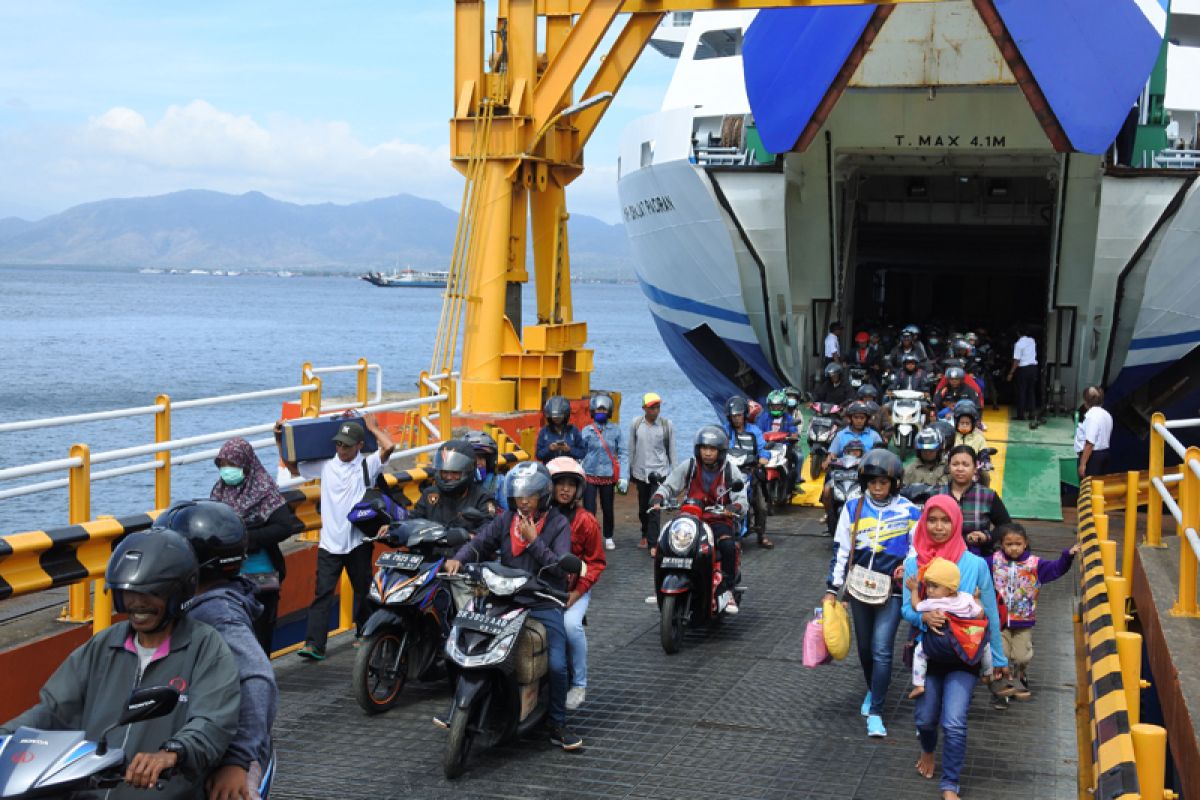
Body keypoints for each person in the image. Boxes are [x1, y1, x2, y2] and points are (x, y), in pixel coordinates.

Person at [1, 531, 240, 799]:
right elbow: (53, 711)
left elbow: (212, 721)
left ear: (177, 592)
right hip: (85, 791)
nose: (137, 603)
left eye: (151, 593)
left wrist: (172, 753)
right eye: (129, 592)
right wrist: (6, 737)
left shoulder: (205, 647)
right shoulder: (103, 646)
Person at [443, 461, 582, 750]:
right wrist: (461, 557)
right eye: (519, 496)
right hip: (506, 597)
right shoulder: (507, 519)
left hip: (543, 600)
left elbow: (560, 568)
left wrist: (533, 542)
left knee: (556, 664)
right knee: (465, 643)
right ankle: (460, 706)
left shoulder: (558, 524)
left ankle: (557, 723)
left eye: (529, 496)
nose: (524, 501)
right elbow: (481, 542)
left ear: (542, 496)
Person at [159, 500, 277, 800]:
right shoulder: (223, 598)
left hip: (229, 762)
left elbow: (257, 677)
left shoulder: (215, 612)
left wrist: (237, 761)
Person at [901, 495, 1009, 800]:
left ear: (956, 522)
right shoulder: (913, 562)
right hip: (931, 652)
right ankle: (928, 750)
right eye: (932, 520)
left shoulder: (974, 564)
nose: (938, 527)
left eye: (945, 520)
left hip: (965, 655)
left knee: (954, 720)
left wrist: (998, 658)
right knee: (924, 719)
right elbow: (906, 611)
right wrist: (924, 615)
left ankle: (950, 784)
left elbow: (988, 613)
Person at [278, 413, 396, 661]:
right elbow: (292, 467)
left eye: (347, 445)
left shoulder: (367, 465)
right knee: (322, 593)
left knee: (364, 590)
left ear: (359, 446)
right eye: (339, 444)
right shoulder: (325, 465)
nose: (341, 449)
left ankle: (365, 633)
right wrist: (279, 439)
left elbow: (389, 446)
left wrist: (373, 427)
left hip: (358, 542)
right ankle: (314, 645)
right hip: (330, 544)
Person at [826, 449, 919, 738]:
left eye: (884, 482)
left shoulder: (910, 510)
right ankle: (872, 689)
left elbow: (918, 549)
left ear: (894, 482)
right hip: (857, 588)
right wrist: (832, 588)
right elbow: (841, 549)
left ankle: (877, 710)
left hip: (891, 589)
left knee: (881, 649)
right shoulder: (852, 507)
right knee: (865, 650)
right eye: (872, 482)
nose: (878, 488)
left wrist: (908, 566)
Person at [211, 436, 303, 654]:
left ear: (246, 464)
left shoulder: (265, 492)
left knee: (259, 639)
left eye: (232, 465)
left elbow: (284, 527)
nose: (227, 470)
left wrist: (247, 539)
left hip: (260, 578)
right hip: (227, 577)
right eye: (223, 465)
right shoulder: (219, 492)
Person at [651, 426, 749, 612]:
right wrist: (659, 497)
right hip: (690, 518)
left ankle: (726, 591)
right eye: (704, 448)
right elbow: (669, 485)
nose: (708, 453)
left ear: (720, 452)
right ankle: (661, 584)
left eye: (712, 449)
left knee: (728, 547)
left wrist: (734, 507)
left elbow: (741, 498)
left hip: (718, 520)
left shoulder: (730, 470)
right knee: (666, 543)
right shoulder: (689, 465)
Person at [990, 523, 1079, 702]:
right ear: (1002, 544)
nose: (1013, 548)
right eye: (1009, 544)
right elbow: (976, 565)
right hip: (999, 621)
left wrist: (1067, 556)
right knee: (1002, 655)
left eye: (1018, 543)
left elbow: (1056, 568)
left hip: (1023, 621)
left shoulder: (1034, 564)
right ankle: (1005, 687)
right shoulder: (994, 561)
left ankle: (1020, 673)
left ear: (1025, 543)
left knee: (1021, 657)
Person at [547, 457, 606, 712]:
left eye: (571, 484)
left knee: (571, 627)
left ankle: (579, 683)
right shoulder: (540, 517)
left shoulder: (586, 521)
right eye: (560, 483)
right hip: (542, 587)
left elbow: (595, 563)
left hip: (574, 590)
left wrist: (577, 592)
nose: (565, 489)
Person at [905, 556, 992, 700]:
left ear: (950, 590)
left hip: (941, 642)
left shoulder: (934, 603)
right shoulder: (965, 597)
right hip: (965, 640)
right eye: (928, 585)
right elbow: (980, 614)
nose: (929, 591)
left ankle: (919, 684)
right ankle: (988, 673)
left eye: (935, 586)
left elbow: (915, 606)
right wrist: (976, 599)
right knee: (984, 646)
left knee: (920, 652)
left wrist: (914, 590)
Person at [936, 445, 1012, 557]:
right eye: (955, 464)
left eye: (965, 464)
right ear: (949, 467)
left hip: (978, 555)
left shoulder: (988, 495)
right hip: (941, 554)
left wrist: (986, 536)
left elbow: (1005, 525)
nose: (960, 469)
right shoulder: (937, 494)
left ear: (975, 467)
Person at [411, 439, 498, 529]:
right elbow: (413, 520)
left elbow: (489, 528)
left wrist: (469, 536)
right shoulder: (429, 494)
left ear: (468, 471)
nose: (449, 477)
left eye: (455, 473)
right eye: (445, 472)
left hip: (467, 543)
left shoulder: (482, 497)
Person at [628, 392, 676, 550]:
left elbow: (672, 451)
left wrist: (675, 475)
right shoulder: (636, 424)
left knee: (655, 507)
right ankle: (644, 533)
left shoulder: (666, 425)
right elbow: (631, 449)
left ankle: (653, 543)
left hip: (659, 473)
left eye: (657, 407)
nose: (655, 411)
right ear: (644, 408)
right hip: (640, 472)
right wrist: (627, 473)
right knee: (643, 508)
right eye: (652, 408)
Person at [580, 393, 628, 550]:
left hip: (607, 475)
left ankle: (608, 536)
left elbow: (623, 453)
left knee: (608, 508)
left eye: (604, 409)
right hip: (589, 474)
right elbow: (580, 453)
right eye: (599, 408)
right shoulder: (586, 431)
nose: (601, 411)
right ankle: (589, 536)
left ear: (609, 411)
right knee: (589, 509)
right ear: (593, 410)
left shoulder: (616, 431)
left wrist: (623, 477)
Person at [724, 396, 772, 549]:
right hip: (730, 473)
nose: (736, 419)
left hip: (750, 472)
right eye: (733, 416)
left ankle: (761, 534)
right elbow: (719, 444)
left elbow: (763, 449)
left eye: (738, 415)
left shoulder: (754, 431)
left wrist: (764, 458)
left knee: (761, 506)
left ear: (744, 414)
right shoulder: (726, 430)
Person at [762, 389, 801, 489]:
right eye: (774, 405)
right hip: (766, 446)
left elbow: (793, 431)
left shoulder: (789, 418)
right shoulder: (764, 417)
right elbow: (758, 430)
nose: (776, 407)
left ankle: (795, 482)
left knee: (798, 457)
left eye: (778, 405)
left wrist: (793, 435)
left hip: (784, 446)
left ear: (784, 405)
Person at [1076, 386, 1113, 478]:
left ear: (1085, 401)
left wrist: (1082, 464)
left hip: (1093, 457)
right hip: (1104, 453)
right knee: (1098, 485)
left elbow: (1090, 443)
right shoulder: (1107, 415)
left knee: (1089, 486)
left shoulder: (1092, 416)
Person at [465, 429, 506, 511]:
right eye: (473, 458)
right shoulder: (458, 481)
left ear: (489, 461)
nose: (477, 463)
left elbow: (508, 512)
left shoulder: (498, 481)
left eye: (481, 458)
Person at [536, 395, 586, 463]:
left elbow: (582, 453)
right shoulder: (544, 431)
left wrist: (569, 450)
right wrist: (549, 449)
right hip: (550, 469)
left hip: (569, 469)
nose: (557, 419)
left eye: (559, 417)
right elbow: (538, 455)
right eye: (554, 417)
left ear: (565, 416)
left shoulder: (573, 430)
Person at [1007, 325, 1039, 421]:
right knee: (1031, 391)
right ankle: (1032, 413)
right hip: (1033, 368)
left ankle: (1021, 415)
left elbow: (1016, 360)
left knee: (1022, 391)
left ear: (1018, 333)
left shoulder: (1018, 344)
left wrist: (1011, 373)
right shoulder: (1032, 340)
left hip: (1023, 369)